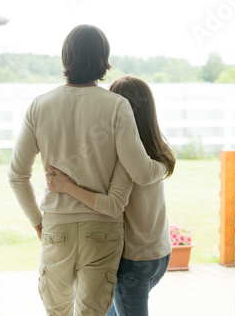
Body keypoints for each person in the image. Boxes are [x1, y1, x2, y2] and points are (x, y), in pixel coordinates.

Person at [8, 25, 166, 316]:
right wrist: (164, 164)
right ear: (104, 60)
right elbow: (142, 173)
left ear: (65, 58)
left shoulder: (39, 106)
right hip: (102, 228)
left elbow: (17, 176)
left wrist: (37, 222)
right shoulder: (117, 106)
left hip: (57, 227)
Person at [46, 75, 175, 316]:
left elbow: (112, 204)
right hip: (159, 254)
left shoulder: (127, 158)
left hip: (132, 260)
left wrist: (66, 186)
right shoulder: (158, 150)